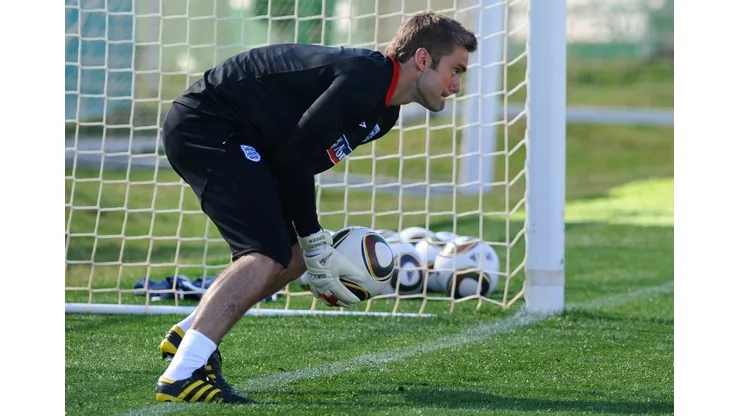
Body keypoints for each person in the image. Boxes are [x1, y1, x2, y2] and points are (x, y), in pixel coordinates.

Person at [154, 10, 477, 404]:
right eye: (455, 70)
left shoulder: (384, 114)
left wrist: (309, 246)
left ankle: (188, 337)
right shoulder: (364, 78)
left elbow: (298, 160)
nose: (457, 86)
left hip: (247, 138)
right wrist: (315, 239)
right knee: (264, 253)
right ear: (423, 59)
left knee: (291, 257)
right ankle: (182, 375)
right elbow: (298, 158)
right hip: (207, 123)